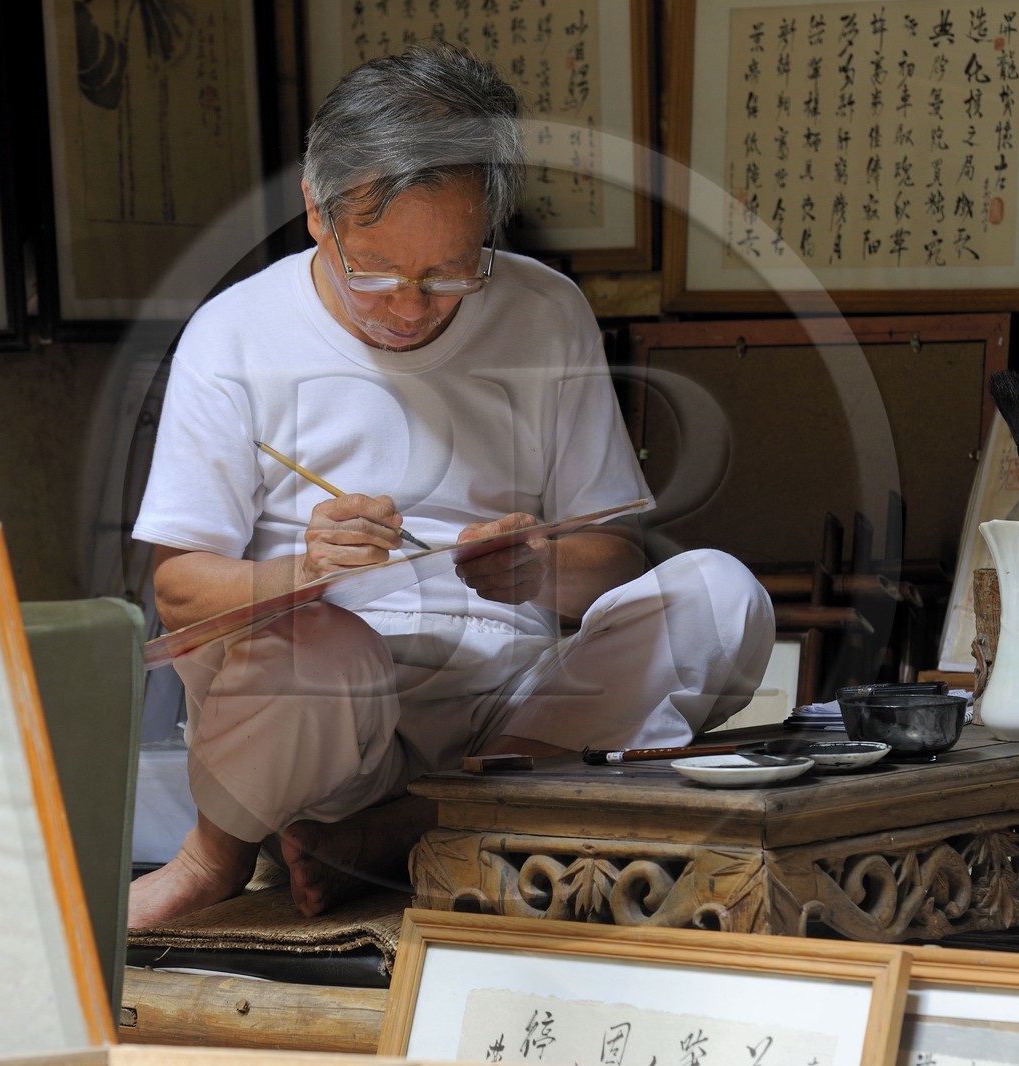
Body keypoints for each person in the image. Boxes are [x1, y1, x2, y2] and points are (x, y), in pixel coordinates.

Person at [127, 43, 774, 925]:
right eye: (377, 271)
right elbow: (176, 592)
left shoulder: (546, 312)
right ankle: (218, 852)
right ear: (317, 211)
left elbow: (613, 559)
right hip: (324, 734)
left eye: (448, 274)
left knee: (722, 596)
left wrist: (539, 569)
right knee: (319, 649)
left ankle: (432, 821)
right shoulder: (233, 336)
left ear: (489, 233)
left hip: (513, 719)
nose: (409, 304)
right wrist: (300, 577)